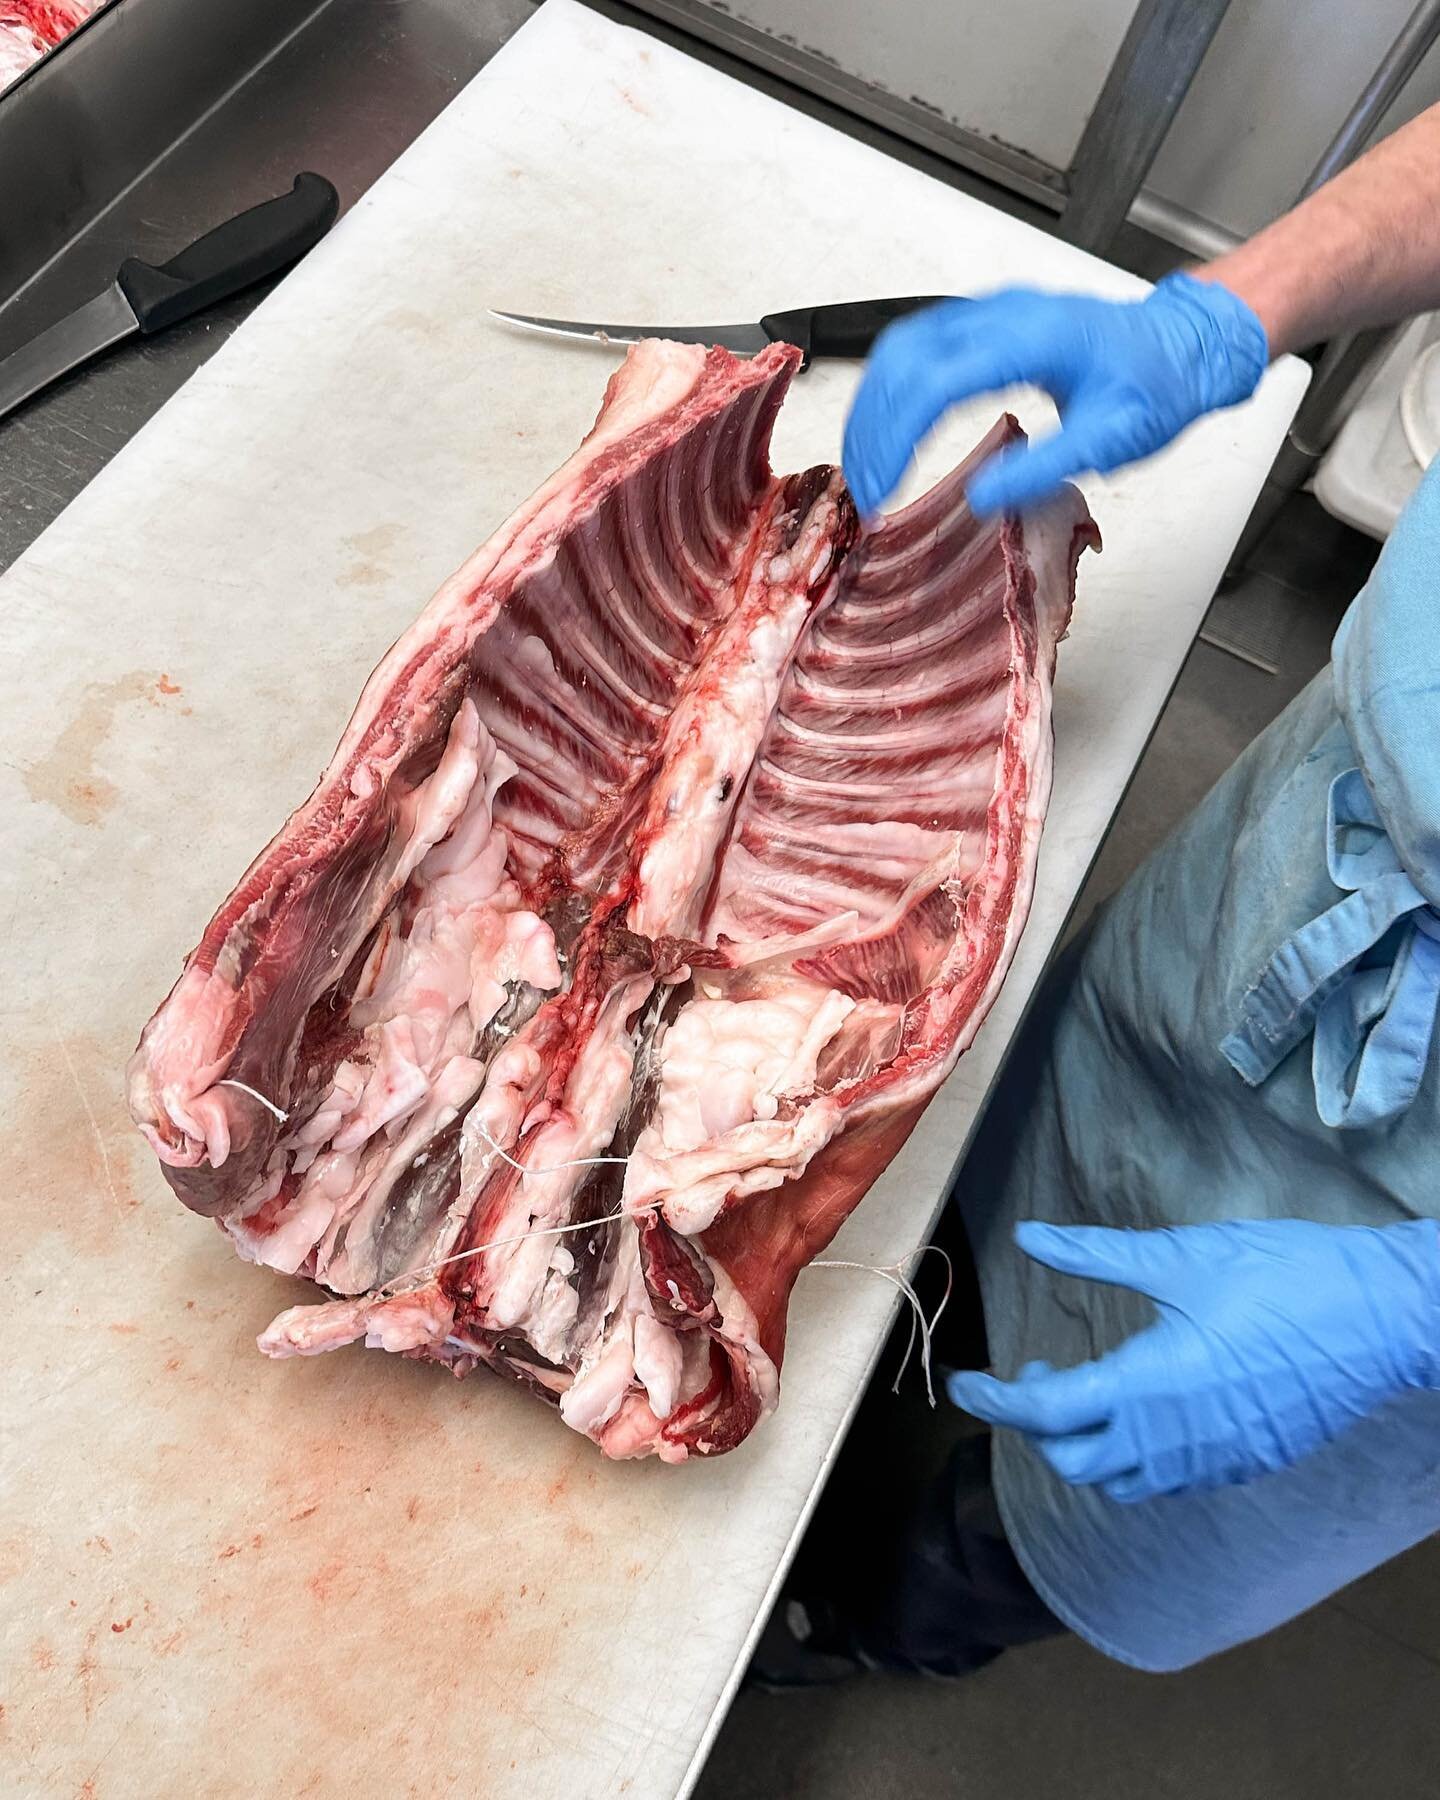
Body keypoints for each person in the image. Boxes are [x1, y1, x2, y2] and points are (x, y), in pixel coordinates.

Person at [757, 101, 1440, 1684]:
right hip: (1338, 844)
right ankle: (893, 1363)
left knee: (1096, 1508)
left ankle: (886, 1623)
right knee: (991, 1194)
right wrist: (1228, 309)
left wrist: (1419, 1308)